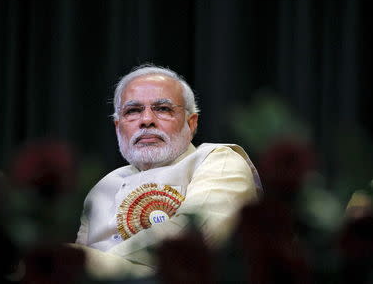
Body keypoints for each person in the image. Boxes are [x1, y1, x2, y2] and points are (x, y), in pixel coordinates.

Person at [73, 64, 262, 278]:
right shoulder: (104, 185)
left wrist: (88, 264)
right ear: (118, 127)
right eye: (133, 111)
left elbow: (198, 235)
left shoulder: (218, 159)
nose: (146, 120)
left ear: (191, 123)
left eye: (163, 109)